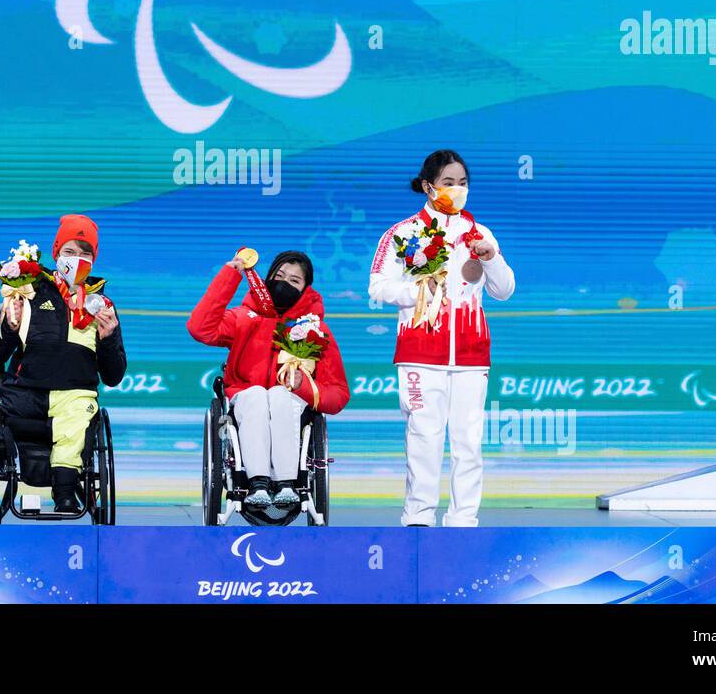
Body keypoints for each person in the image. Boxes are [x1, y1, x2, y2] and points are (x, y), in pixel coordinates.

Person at [368, 150, 515, 527]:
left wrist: (491, 258)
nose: (457, 190)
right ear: (427, 186)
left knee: (468, 441)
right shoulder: (402, 234)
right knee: (424, 436)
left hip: (471, 353)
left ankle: (464, 520)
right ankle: (418, 517)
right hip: (420, 352)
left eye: (463, 183)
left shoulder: (479, 234)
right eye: (449, 183)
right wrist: (418, 290)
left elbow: (504, 290)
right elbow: (378, 287)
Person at [188, 249, 349, 509]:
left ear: (306, 289)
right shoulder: (244, 317)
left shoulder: (315, 330)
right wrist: (231, 274)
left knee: (278, 394)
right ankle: (258, 483)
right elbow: (199, 328)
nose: (284, 283)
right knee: (256, 395)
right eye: (279, 275)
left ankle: (287, 482)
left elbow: (338, 394)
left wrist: (303, 387)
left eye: (294, 281)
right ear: (266, 278)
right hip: (246, 398)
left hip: (292, 405)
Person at [0, 214, 125, 512]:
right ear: (56, 253)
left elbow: (113, 376)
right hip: (24, 395)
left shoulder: (102, 305)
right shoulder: (27, 290)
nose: (76, 260)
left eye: (84, 253)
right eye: (69, 252)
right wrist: (9, 326)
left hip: (74, 397)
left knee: (78, 416)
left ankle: (64, 493)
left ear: (94, 259)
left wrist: (109, 337)